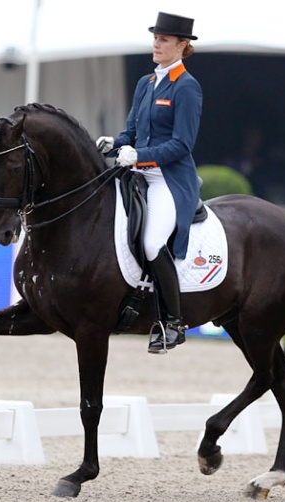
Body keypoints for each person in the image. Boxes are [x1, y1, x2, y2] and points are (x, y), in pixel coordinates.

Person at [96, 12, 202, 354]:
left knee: (154, 242)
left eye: (165, 40)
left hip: (168, 180)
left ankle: (173, 323)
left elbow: (182, 145)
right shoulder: (146, 83)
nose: (157, 44)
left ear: (182, 45)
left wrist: (138, 156)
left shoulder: (186, 87)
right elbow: (132, 132)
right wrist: (114, 142)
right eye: (155, 37)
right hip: (136, 173)